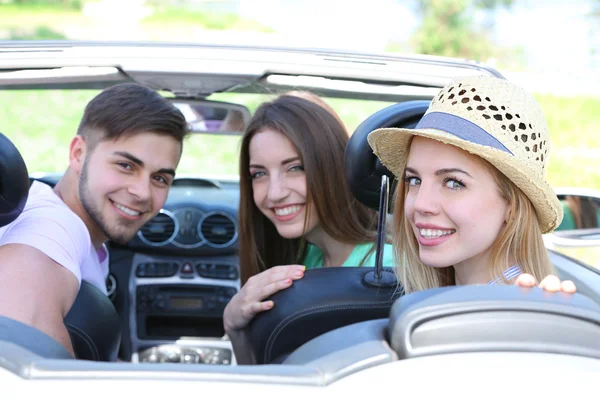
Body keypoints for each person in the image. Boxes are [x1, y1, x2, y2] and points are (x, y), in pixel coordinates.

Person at [0, 83, 189, 356]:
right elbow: (15, 330)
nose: (142, 192)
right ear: (78, 153)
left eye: (159, 178)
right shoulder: (55, 226)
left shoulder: (76, 223)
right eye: (126, 166)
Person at [224, 93, 394, 363]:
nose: (275, 193)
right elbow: (264, 377)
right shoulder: (308, 257)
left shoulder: (388, 269)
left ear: (332, 166)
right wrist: (234, 325)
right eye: (259, 174)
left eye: (295, 168)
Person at [367, 75, 576, 294]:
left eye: (454, 183)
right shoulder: (440, 300)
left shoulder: (524, 313)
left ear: (512, 207)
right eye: (414, 180)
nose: (421, 204)